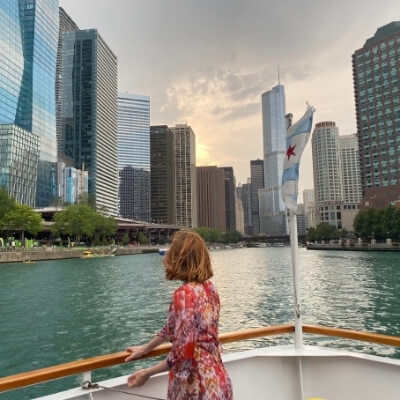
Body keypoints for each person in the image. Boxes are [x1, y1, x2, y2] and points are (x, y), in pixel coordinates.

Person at [125, 230, 233, 400]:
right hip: (218, 381)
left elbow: (182, 352)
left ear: (179, 257)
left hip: (195, 386)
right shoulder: (210, 289)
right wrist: (145, 349)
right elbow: (172, 327)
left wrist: (147, 373)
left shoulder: (183, 294)